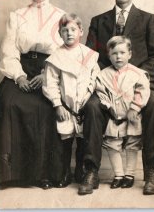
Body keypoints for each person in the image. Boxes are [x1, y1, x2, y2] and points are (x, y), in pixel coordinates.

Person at [78, 0, 154, 195]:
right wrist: (105, 78)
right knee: (91, 106)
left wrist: (135, 75)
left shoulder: (148, 19)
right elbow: (89, 56)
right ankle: (91, 170)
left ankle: (150, 169)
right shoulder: (99, 21)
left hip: (138, 84)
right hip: (107, 85)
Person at [0, 0, 67, 190]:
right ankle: (8, 175)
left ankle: (43, 174)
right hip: (22, 67)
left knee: (44, 106)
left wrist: (47, 74)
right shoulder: (17, 16)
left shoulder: (61, 16)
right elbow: (9, 50)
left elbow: (66, 51)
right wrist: (20, 76)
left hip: (51, 68)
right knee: (9, 101)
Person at [42, 13, 100, 187]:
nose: (69, 33)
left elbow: (93, 77)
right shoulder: (56, 57)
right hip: (65, 105)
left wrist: (87, 96)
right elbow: (50, 83)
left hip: (82, 103)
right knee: (64, 140)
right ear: (60, 33)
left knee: (83, 139)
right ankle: (64, 172)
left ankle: (80, 171)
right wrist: (58, 104)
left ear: (81, 31)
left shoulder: (89, 55)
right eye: (65, 30)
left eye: (73, 29)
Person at [95, 36, 150, 190]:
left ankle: (130, 175)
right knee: (112, 144)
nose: (118, 56)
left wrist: (135, 107)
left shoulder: (138, 73)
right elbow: (100, 92)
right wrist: (107, 105)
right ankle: (118, 175)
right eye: (114, 53)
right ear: (108, 55)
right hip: (114, 117)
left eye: (122, 53)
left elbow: (143, 90)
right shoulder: (103, 74)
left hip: (132, 116)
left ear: (130, 54)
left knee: (132, 144)